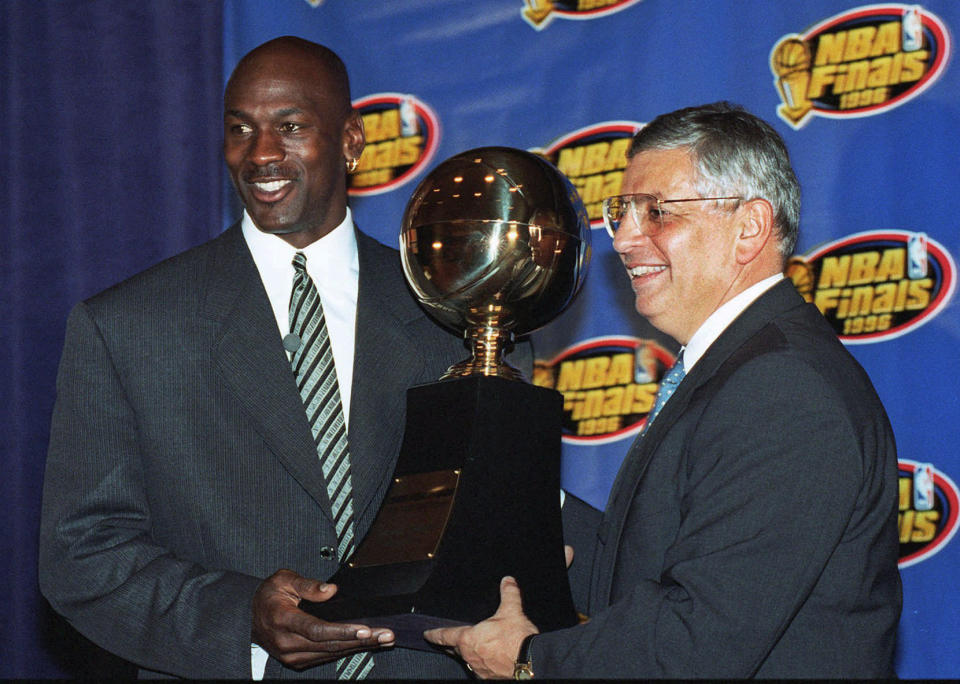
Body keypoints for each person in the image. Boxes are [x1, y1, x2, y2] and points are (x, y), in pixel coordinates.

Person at [38, 36, 494, 679]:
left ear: (351, 142)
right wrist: (239, 617)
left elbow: (494, 527)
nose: (261, 154)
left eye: (290, 126)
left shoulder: (456, 320)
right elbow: (80, 555)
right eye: (239, 129)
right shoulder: (127, 327)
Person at [424, 102, 902, 678]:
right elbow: (658, 566)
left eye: (656, 213)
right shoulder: (741, 368)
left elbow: (700, 635)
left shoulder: (783, 386)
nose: (624, 239)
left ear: (749, 227)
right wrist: (515, 492)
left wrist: (529, 662)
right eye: (621, 212)